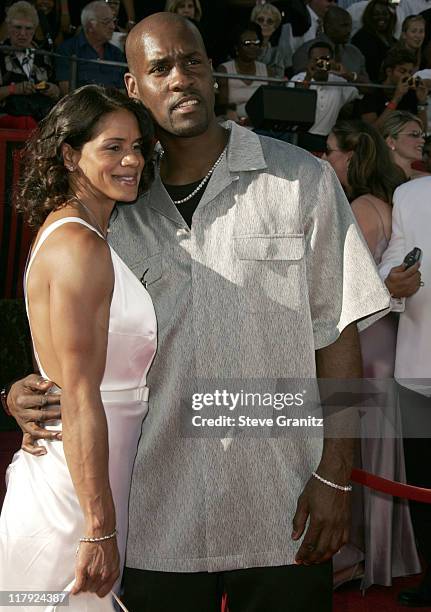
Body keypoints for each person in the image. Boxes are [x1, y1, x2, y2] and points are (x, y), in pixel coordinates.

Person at [6, 13, 391, 612]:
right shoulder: (114, 211)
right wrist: (24, 390)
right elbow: (72, 335)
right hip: (158, 515)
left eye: (193, 62)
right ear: (134, 88)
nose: (180, 78)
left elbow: (340, 332)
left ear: (215, 75)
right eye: (159, 68)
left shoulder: (301, 179)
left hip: (282, 508)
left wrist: (337, 475)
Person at [0, 85, 156, 608]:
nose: (132, 159)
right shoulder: (79, 245)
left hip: (89, 471)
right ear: (71, 155)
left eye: (136, 146)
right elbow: (82, 393)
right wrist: (97, 527)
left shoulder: (86, 233)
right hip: (75, 488)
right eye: (112, 147)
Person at [323, 119, 421, 590]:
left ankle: (355, 552)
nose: (327, 161)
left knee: (356, 449)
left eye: (332, 152)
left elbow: (353, 284)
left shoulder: (361, 207)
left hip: (364, 337)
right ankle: (371, 549)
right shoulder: (388, 201)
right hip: (385, 337)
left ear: (352, 156)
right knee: (374, 452)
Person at [378, 176, 431, 608]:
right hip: (419, 366)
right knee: (423, 483)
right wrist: (392, 282)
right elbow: (393, 259)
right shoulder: (411, 195)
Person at [290, 42, 361, 152]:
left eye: (325, 59)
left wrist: (347, 75)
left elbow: (366, 90)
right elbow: (295, 104)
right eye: (316, 59)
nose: (321, 63)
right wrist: (308, 77)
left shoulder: (338, 82)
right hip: (301, 135)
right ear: (309, 61)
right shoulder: (298, 79)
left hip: (327, 139)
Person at [0, 1, 59, 122]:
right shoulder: (1, 53)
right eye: (18, 27)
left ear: (35, 30)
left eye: (28, 28)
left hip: (42, 120)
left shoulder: (44, 56)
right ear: (8, 27)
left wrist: (52, 89)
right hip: (8, 121)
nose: (23, 33)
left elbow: (58, 92)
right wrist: (14, 89)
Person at [55, 0, 126, 96]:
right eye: (106, 22)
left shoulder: (116, 53)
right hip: (83, 108)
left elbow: (123, 91)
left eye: (114, 21)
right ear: (90, 26)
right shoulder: (68, 49)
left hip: (113, 107)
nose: (112, 27)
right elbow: (67, 92)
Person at [292, 6, 369, 86]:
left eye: (350, 25)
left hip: (353, 96)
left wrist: (351, 76)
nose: (349, 30)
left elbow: (369, 87)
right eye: (344, 26)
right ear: (328, 26)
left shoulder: (355, 53)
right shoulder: (306, 51)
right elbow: (298, 85)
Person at [358, 48, 428, 130]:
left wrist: (421, 102)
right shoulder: (372, 92)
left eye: (409, 72)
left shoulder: (411, 93)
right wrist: (396, 99)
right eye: (402, 71)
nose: (407, 76)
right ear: (389, 71)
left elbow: (422, 131)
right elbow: (372, 131)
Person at [217, 22, 271, 126]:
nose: (252, 47)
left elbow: (271, 105)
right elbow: (223, 105)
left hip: (260, 125)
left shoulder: (268, 71)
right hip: (231, 123)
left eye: (256, 43)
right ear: (237, 47)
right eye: (247, 43)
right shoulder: (224, 70)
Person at [351, 0, 397, 83]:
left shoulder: (393, 41)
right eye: (376, 14)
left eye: (385, 14)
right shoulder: (361, 38)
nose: (381, 17)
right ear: (369, 16)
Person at [381, 110, 429, 178]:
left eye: (422, 136)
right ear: (391, 142)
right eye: (414, 134)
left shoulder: (426, 179)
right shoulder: (376, 182)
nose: (422, 140)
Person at [251, 2, 290, 77]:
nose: (265, 24)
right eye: (260, 20)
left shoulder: (277, 54)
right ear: (253, 22)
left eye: (270, 21)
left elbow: (279, 80)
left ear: (275, 27)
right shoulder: (244, 46)